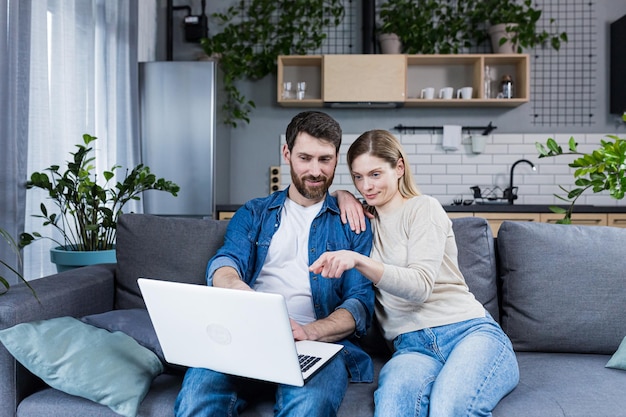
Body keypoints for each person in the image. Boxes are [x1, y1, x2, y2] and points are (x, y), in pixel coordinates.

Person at [174, 111, 376, 417]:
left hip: (316, 344)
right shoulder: (254, 213)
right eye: (305, 157)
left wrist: (309, 332)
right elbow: (227, 262)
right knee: (197, 399)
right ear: (287, 153)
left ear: (336, 159)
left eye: (325, 159)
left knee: (311, 406)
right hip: (245, 338)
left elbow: (359, 303)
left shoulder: (352, 223)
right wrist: (238, 290)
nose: (315, 170)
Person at [310, 129, 519, 417]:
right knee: (393, 410)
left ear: (399, 168)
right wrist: (341, 194)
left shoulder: (424, 209)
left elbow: (420, 286)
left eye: (375, 174)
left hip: (468, 332)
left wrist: (357, 260)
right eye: (357, 177)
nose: (366, 186)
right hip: (410, 348)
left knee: (449, 407)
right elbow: (330, 204)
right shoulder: (365, 221)